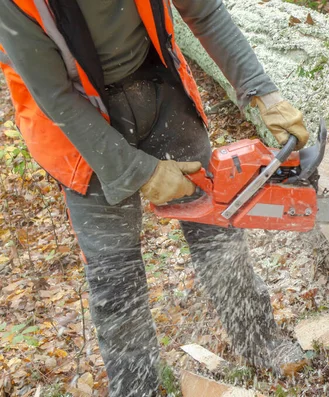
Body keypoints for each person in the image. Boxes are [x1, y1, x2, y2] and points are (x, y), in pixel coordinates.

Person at [0, 0, 310, 395]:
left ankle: (259, 341)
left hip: (157, 87)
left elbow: (205, 11)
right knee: (116, 274)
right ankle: (136, 388)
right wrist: (140, 172)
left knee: (218, 227)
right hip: (77, 126)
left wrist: (264, 93)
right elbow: (55, 95)